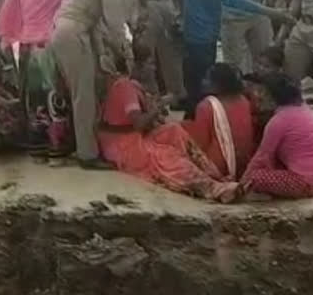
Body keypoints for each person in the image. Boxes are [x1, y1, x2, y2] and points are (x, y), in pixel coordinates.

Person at [97, 51, 241, 203]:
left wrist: (157, 106)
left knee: (174, 130)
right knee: (166, 156)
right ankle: (213, 188)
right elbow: (139, 124)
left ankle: (214, 176)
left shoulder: (134, 86)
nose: (154, 69)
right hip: (122, 145)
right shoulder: (125, 87)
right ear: (137, 66)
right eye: (150, 64)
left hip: (133, 136)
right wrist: (159, 106)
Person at [51, 0, 146, 170]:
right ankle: (87, 155)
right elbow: (115, 24)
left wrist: (104, 50)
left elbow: (97, 22)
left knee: (84, 93)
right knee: (83, 96)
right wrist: (127, 53)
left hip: (70, 31)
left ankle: (82, 145)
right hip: (73, 34)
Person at [0, 0, 71, 150]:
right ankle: (58, 140)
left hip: (28, 46)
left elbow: (10, 10)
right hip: (53, 44)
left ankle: (37, 139)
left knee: (33, 94)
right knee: (55, 92)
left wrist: (8, 38)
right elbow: (67, 8)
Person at [241, 73, 313, 199]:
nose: (259, 96)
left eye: (264, 93)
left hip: (310, 183)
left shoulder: (279, 120)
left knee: (254, 177)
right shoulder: (305, 110)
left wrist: (242, 182)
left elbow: (262, 157)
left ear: (273, 97)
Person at [183, 64, 255, 180]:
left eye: (207, 78)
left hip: (217, 167)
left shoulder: (206, 106)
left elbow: (200, 145)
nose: (203, 81)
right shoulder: (244, 101)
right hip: (244, 164)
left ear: (219, 84)